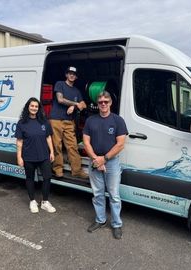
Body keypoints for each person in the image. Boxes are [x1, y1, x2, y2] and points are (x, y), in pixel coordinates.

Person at [83, 91, 128, 239]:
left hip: (112, 163)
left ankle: (116, 224)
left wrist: (105, 159)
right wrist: (96, 159)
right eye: (101, 102)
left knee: (114, 195)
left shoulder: (118, 121)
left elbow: (121, 144)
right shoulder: (90, 121)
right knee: (98, 194)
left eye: (106, 101)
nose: (103, 104)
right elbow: (86, 142)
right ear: (97, 104)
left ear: (110, 103)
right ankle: (100, 220)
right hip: (95, 161)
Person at [15, 97, 56, 213]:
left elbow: (48, 137)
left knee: (47, 177)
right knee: (30, 178)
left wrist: (52, 152)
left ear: (39, 108)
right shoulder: (22, 123)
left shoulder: (44, 121)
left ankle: (45, 202)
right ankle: (32, 201)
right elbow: (19, 141)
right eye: (32, 106)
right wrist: (19, 157)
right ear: (28, 107)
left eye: (36, 106)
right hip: (28, 156)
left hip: (43, 155)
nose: (34, 108)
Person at [49, 66, 88, 179]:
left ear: (76, 77)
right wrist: (75, 105)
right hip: (56, 120)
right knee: (57, 146)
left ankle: (76, 171)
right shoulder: (60, 84)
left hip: (69, 121)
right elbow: (60, 99)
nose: (72, 75)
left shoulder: (76, 91)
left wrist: (74, 107)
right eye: (70, 73)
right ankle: (58, 169)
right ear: (66, 75)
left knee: (72, 146)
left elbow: (84, 105)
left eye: (74, 74)